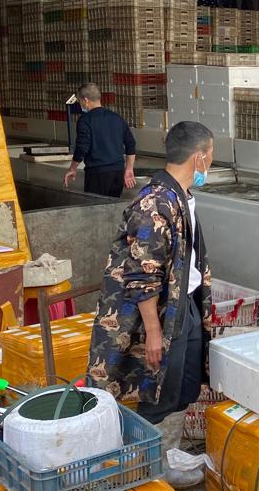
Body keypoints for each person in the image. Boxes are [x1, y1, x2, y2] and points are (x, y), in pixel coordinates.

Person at [87, 121, 213, 423]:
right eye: (210, 156)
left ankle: (170, 456)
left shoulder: (181, 196)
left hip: (186, 303)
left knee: (184, 385)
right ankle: (156, 460)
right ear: (198, 158)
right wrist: (154, 333)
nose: (209, 163)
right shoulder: (154, 203)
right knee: (156, 389)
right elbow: (143, 276)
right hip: (161, 314)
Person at [64, 83, 137, 197]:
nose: (80, 105)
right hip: (117, 173)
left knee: (95, 210)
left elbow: (82, 147)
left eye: (80, 101)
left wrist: (72, 168)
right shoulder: (117, 118)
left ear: (86, 100)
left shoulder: (85, 120)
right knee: (112, 209)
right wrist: (128, 169)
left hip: (97, 174)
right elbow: (131, 144)